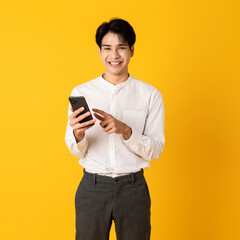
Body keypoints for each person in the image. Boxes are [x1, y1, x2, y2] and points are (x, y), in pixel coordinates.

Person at [65, 18, 165, 240]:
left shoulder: (150, 95)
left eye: (121, 47)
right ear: (100, 52)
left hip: (133, 188)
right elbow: (75, 150)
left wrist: (127, 131)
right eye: (107, 48)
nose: (114, 55)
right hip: (92, 188)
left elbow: (156, 150)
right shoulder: (82, 92)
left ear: (131, 51)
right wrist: (78, 135)